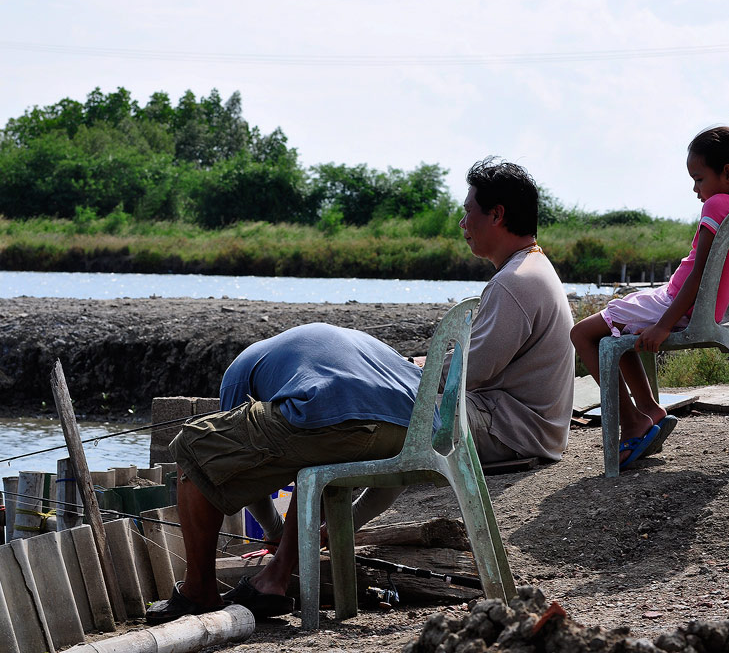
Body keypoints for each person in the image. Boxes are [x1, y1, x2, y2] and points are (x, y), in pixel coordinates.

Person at [146, 322, 433, 622]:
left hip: (335, 416)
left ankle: (199, 591)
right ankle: (274, 580)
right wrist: (344, 525)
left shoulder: (239, 370)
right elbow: (397, 476)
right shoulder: (355, 351)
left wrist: (273, 530)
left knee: (194, 449)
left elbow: (227, 469)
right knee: (314, 459)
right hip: (417, 425)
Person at [569, 116, 729, 469]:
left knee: (583, 333)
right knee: (616, 326)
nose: (696, 190)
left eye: (699, 179)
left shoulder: (717, 206)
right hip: (706, 306)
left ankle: (634, 421)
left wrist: (664, 324)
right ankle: (648, 410)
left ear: (727, 173)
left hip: (679, 304)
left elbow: (699, 277)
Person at [440, 158, 576, 464]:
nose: (463, 223)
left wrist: (414, 373)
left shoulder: (513, 281)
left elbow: (473, 369)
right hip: (530, 426)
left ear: (496, 214)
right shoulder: (532, 266)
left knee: (397, 409)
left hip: (513, 430)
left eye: (468, 211)